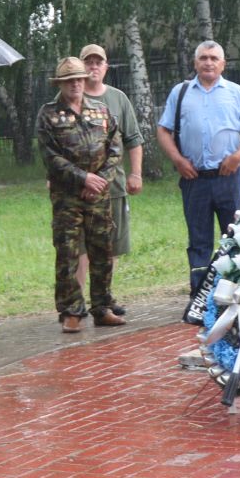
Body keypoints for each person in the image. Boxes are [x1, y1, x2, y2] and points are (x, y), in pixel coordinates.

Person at [155, 41, 240, 296]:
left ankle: (236, 291)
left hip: (228, 178)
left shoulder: (236, 93)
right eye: (203, 58)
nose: (208, 63)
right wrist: (177, 160)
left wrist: (238, 156)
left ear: (223, 64)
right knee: (199, 241)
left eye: (214, 58)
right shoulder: (180, 93)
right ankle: (200, 297)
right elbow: (163, 130)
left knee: (236, 236)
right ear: (195, 63)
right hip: (194, 179)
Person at [38, 58, 124, 334]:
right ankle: (71, 311)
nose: (75, 84)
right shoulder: (49, 114)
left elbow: (115, 149)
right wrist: (83, 178)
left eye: (79, 79)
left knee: (102, 251)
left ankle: (102, 307)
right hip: (67, 197)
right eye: (69, 80)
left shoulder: (102, 110)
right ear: (60, 84)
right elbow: (51, 157)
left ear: (85, 80)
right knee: (68, 252)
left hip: (98, 195)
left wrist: (99, 181)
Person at [79, 44, 143, 316]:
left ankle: (103, 298)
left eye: (98, 62)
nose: (93, 67)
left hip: (113, 185)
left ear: (106, 67)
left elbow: (133, 140)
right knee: (81, 245)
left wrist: (135, 173)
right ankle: (78, 301)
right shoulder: (70, 97)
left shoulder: (118, 99)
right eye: (88, 62)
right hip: (78, 186)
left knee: (111, 244)